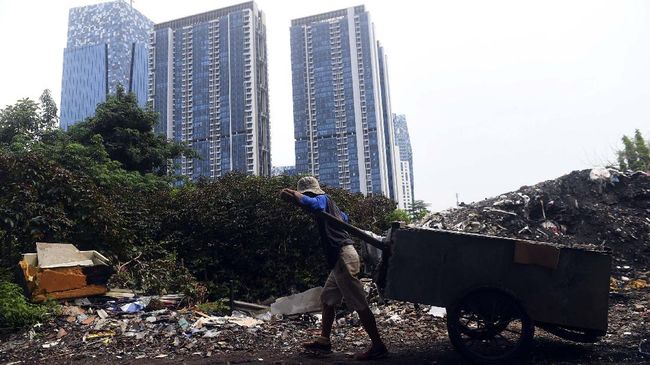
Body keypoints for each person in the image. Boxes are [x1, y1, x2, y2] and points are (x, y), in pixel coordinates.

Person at [280, 176, 388, 361]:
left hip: (343, 255)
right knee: (328, 299)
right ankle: (324, 341)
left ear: (312, 193)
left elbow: (315, 205)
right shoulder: (334, 208)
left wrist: (295, 195)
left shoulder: (324, 199)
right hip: (340, 258)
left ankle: (378, 345)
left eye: (307, 195)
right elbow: (344, 217)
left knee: (358, 301)